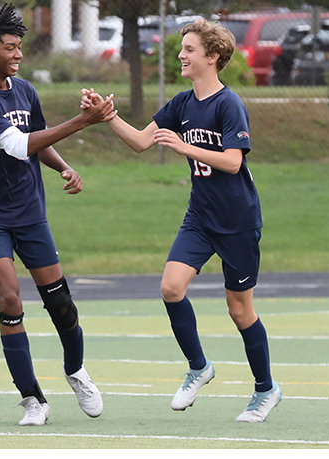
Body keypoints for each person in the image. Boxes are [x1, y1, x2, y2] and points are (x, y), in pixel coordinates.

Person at [86, 18, 281, 423]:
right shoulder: (181, 103)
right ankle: (199, 367)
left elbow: (232, 161)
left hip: (238, 220)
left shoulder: (228, 104)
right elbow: (142, 141)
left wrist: (186, 147)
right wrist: (108, 117)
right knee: (171, 287)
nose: (181, 55)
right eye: (182, 49)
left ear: (212, 57)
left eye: (189, 49)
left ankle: (265, 390)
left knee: (239, 311)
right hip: (201, 217)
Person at [0, 3, 115, 426]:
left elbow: (37, 141)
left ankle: (76, 371)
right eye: (9, 47)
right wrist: (83, 121)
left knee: (59, 302)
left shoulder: (24, 90)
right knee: (9, 298)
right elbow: (18, 144)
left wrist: (64, 167)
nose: (18, 53)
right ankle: (32, 398)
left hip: (27, 210)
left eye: (19, 46)